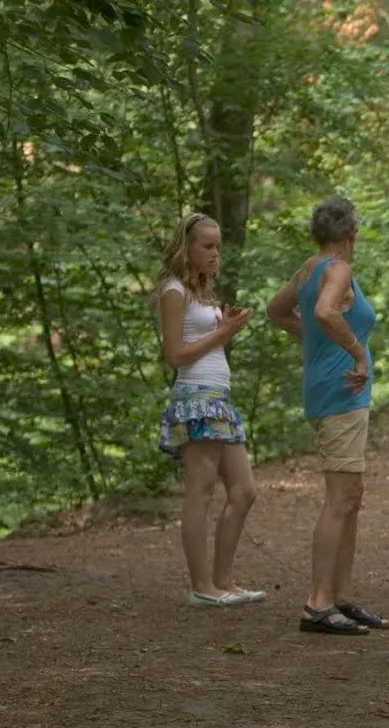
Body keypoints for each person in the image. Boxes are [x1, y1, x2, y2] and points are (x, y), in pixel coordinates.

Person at [266, 196, 389, 635]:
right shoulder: (337, 269)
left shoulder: (310, 267)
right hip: (340, 393)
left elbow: (276, 310)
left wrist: (318, 340)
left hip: (332, 390)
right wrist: (355, 352)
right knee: (341, 498)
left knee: (351, 495)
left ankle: (340, 595)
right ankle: (317, 603)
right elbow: (323, 311)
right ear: (352, 231)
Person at [155, 213, 264, 607]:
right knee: (200, 492)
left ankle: (223, 580)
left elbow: (208, 339)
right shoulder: (173, 291)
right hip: (196, 396)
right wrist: (223, 332)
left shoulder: (202, 291)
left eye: (218, 246)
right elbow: (175, 355)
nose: (216, 253)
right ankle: (202, 587)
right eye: (208, 246)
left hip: (220, 397)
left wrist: (225, 327)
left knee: (244, 491)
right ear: (188, 248)